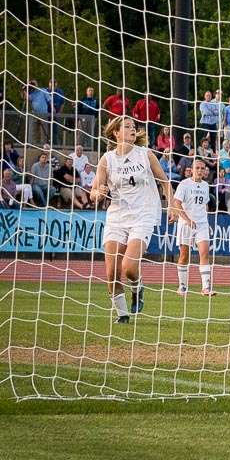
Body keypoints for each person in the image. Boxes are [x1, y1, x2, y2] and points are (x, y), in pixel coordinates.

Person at [90, 115, 175, 322]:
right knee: (111, 272)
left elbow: (165, 182)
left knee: (128, 268)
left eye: (134, 127)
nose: (132, 130)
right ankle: (122, 315)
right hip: (117, 216)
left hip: (143, 214)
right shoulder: (107, 159)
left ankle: (138, 287)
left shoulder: (145, 154)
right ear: (116, 133)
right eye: (127, 127)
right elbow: (93, 193)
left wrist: (171, 205)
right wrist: (98, 193)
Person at [171, 159, 215, 296]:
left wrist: (204, 217)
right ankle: (182, 286)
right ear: (191, 170)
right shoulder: (184, 184)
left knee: (205, 253)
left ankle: (206, 287)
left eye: (203, 168)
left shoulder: (206, 186)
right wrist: (187, 219)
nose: (200, 171)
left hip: (201, 223)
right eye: (198, 168)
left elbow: (205, 204)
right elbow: (176, 203)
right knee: (184, 255)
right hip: (186, 224)